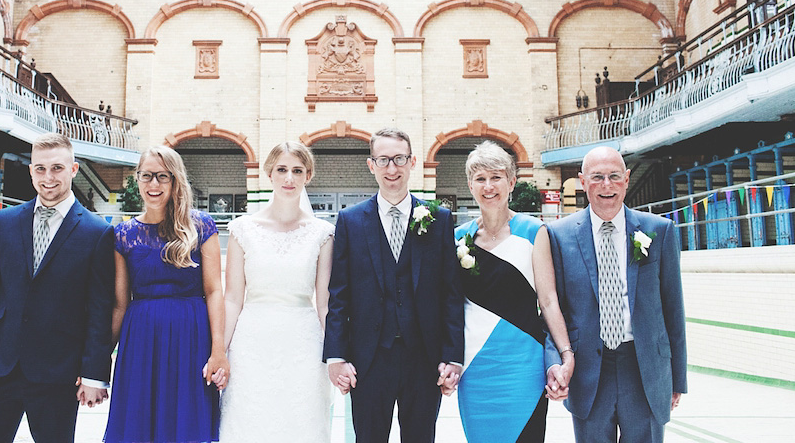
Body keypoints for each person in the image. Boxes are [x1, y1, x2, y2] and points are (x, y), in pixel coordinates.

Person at [0, 133, 114, 443]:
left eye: (57, 168)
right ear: (31, 171)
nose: (48, 177)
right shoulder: (4, 222)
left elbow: (100, 309)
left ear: (74, 169)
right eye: (40, 169)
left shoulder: (97, 233)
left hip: (58, 373)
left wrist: (95, 373)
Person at [323, 127, 464, 443]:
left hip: (425, 360)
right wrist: (336, 356)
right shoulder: (350, 221)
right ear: (371, 165)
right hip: (368, 360)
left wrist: (453, 355)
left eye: (399, 159)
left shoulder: (438, 219)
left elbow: (451, 295)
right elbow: (339, 295)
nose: (392, 169)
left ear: (412, 162)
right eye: (383, 160)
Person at [546, 146, 687, 442]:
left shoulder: (659, 230)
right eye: (597, 177)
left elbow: (673, 310)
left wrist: (676, 378)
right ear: (582, 181)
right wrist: (555, 362)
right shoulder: (559, 235)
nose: (606, 185)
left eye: (614, 176)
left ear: (627, 179)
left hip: (644, 368)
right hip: (588, 371)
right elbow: (551, 309)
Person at [452, 141, 575, 442]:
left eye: (496, 177)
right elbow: (451, 306)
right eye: (480, 178)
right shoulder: (457, 238)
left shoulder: (534, 232)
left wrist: (565, 353)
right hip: (475, 366)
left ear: (511, 182)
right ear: (470, 184)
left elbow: (547, 301)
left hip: (523, 364)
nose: (489, 186)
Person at [104, 146, 228, 443]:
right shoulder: (123, 234)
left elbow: (213, 291)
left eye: (162, 176)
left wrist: (219, 350)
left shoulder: (201, 226)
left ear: (175, 181)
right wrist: (99, 357)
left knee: (186, 423)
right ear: (137, 179)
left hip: (191, 337)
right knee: (138, 423)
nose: (154, 184)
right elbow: (120, 304)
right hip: (141, 340)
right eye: (147, 176)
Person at [220, 142, 335, 442]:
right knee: (250, 422)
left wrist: (336, 354)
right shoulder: (242, 230)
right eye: (282, 170)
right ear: (269, 173)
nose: (289, 178)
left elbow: (324, 304)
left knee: (302, 423)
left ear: (308, 176)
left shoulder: (322, 233)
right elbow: (232, 299)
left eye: (297, 171)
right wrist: (219, 350)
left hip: (303, 344)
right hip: (252, 342)